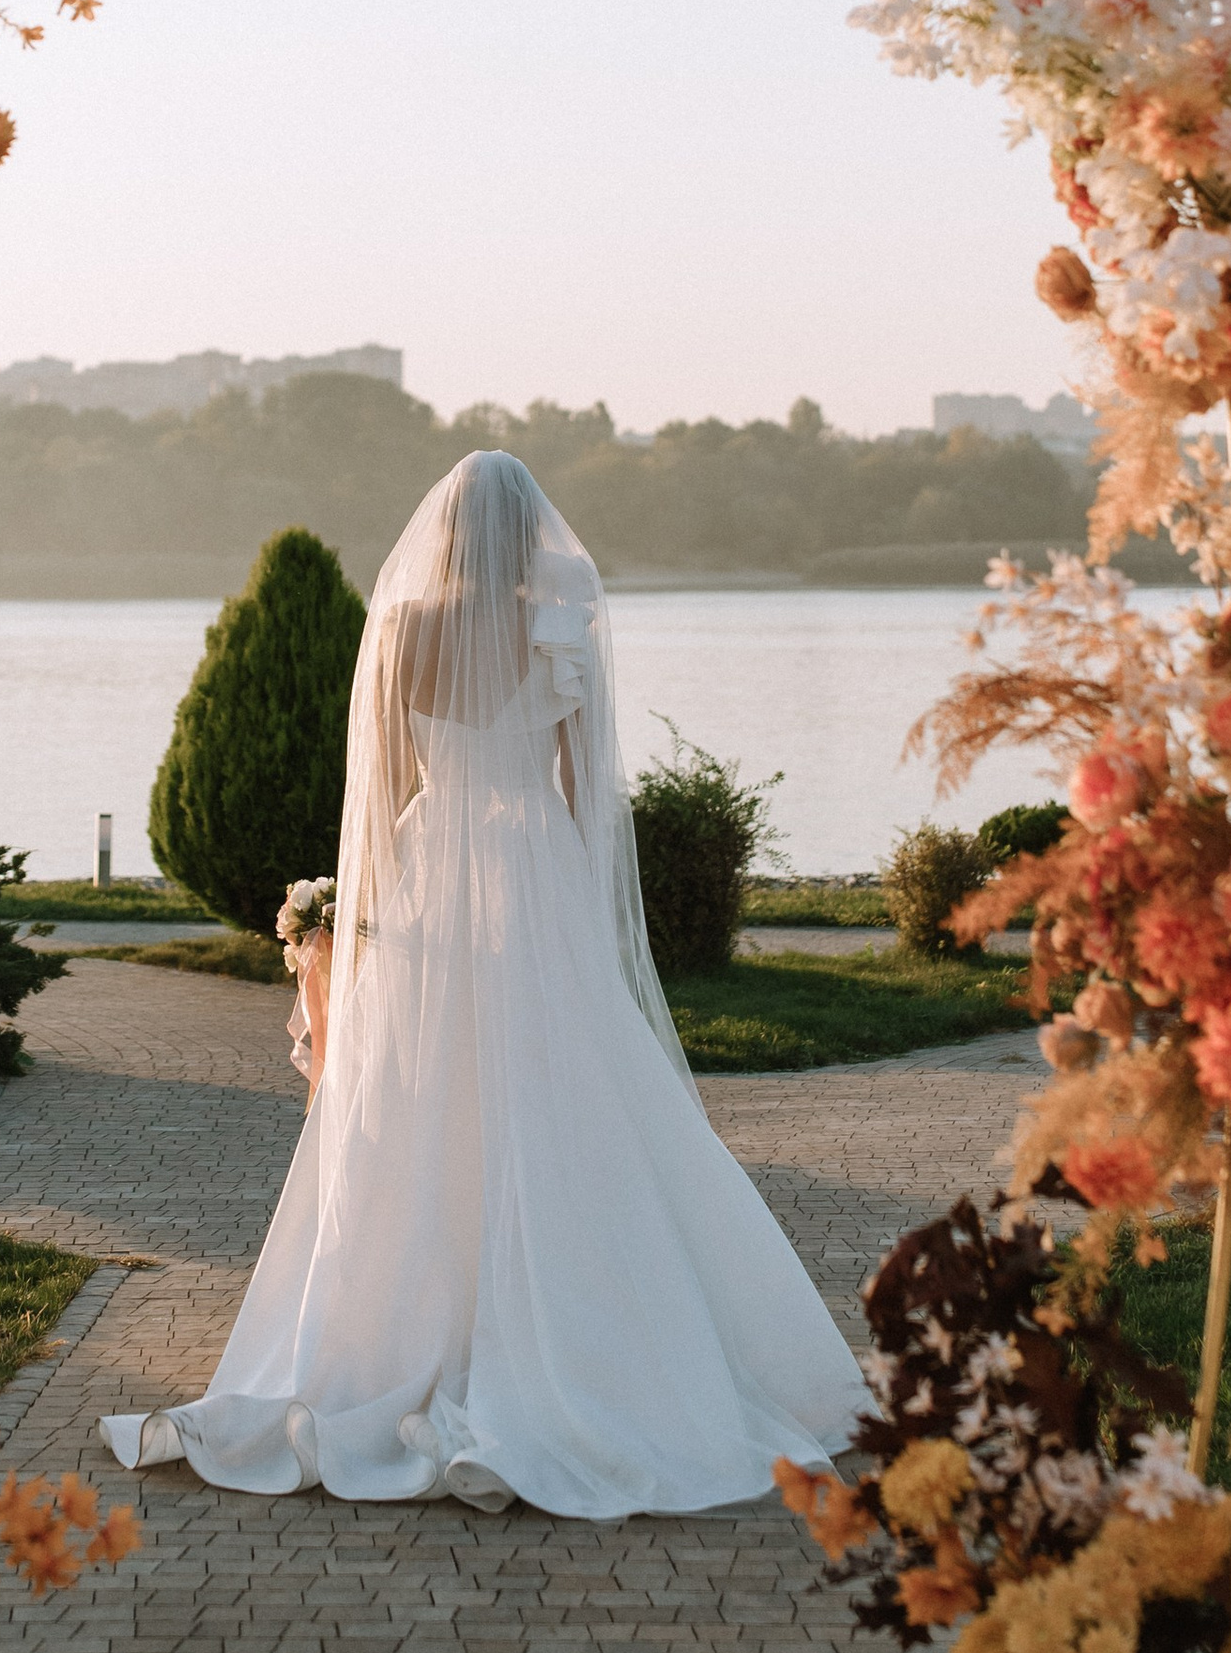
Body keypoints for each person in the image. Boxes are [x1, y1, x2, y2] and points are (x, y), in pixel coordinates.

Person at [101, 449, 869, 1514]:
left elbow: (380, 787)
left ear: (449, 531)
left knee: (423, 1089)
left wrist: (361, 911)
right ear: (526, 534)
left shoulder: (402, 627)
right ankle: (587, 1335)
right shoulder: (560, 624)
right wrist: (574, 900)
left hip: (429, 864)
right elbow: (586, 789)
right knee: (559, 1085)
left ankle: (396, 1331)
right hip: (532, 866)